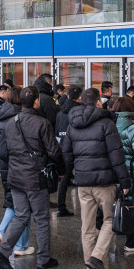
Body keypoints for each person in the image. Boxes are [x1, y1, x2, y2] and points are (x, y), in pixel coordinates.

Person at [0, 86, 65, 269]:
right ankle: (43, 258)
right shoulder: (42, 123)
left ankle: (2, 251)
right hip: (35, 177)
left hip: (16, 177)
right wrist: (62, 170)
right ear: (37, 101)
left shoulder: (11, 122)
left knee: (21, 216)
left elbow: (4, 151)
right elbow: (54, 151)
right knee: (41, 218)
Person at [63, 88, 130, 269]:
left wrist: (72, 173)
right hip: (104, 182)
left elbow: (66, 154)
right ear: (98, 103)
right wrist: (124, 181)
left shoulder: (72, 124)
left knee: (87, 226)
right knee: (110, 221)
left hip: (83, 183)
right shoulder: (107, 124)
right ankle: (96, 257)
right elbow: (117, 156)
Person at [0, 87, 35, 258]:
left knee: (13, 202)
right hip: (21, 166)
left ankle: (1, 232)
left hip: (5, 167)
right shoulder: (21, 117)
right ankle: (21, 245)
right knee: (25, 207)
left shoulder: (0, 116)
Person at [111, 97, 134, 253]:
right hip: (131, 172)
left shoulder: (110, 125)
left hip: (115, 171)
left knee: (117, 202)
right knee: (131, 206)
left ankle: (117, 228)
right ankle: (131, 242)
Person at [55, 85, 82, 218]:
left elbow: (57, 132)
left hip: (64, 148)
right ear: (79, 97)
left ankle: (61, 207)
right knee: (82, 176)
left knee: (64, 179)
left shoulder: (60, 112)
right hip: (77, 147)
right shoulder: (79, 111)